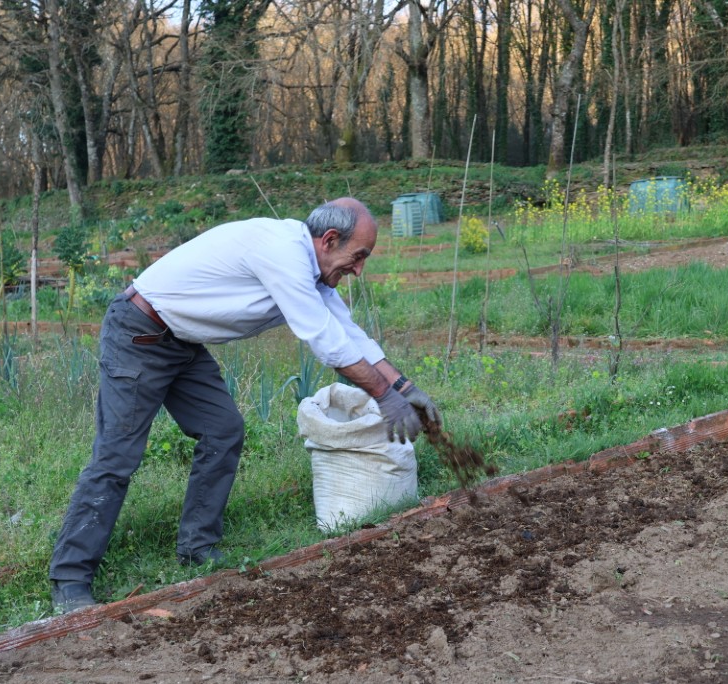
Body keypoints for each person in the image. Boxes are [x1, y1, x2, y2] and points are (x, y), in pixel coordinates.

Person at [48, 198, 442, 613]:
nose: (359, 269)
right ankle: (70, 578)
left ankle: (197, 547)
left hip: (180, 341)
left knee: (223, 429)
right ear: (328, 240)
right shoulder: (282, 253)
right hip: (140, 334)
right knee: (117, 456)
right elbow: (325, 343)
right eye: (358, 256)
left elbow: (348, 332)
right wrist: (383, 397)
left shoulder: (315, 271)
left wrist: (406, 388)